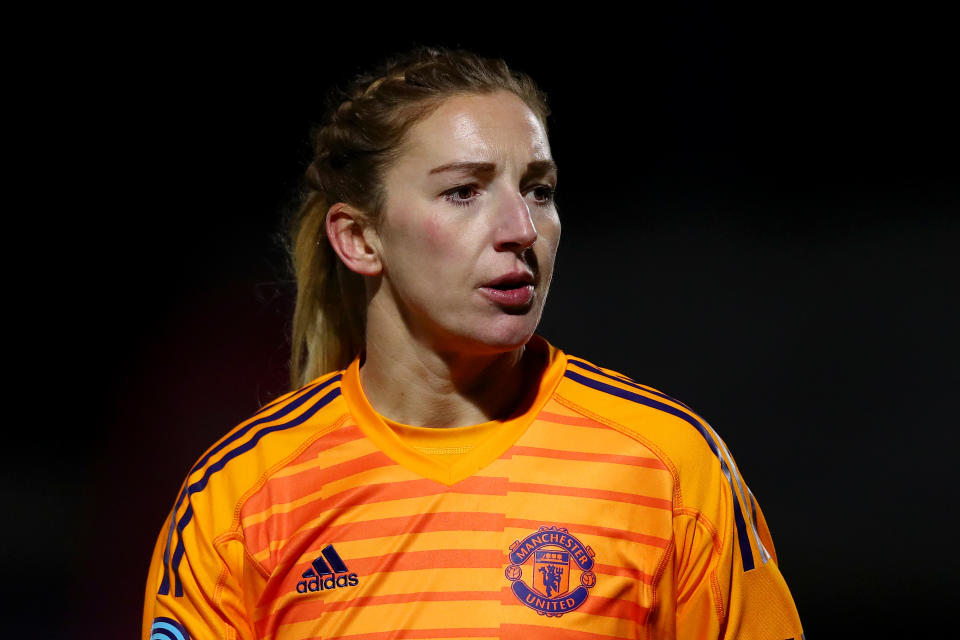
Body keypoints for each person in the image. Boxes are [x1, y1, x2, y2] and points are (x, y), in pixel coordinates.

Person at [144, 47, 804, 640]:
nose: (521, 228)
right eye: (464, 191)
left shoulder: (669, 467)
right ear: (359, 239)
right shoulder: (239, 497)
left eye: (539, 191)